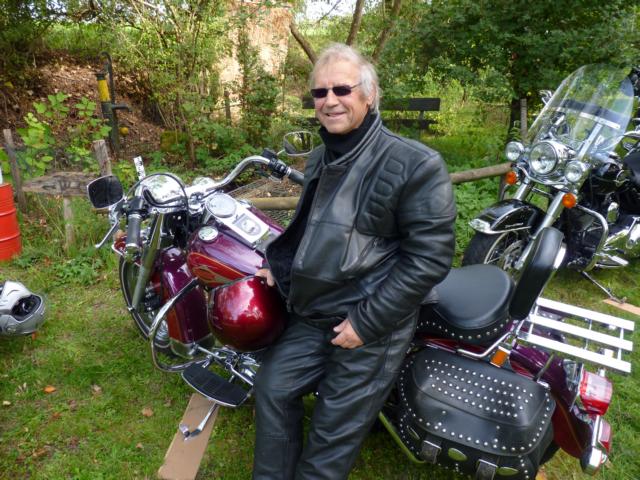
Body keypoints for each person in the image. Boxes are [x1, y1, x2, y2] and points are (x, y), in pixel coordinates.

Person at [252, 43, 456, 480]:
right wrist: (281, 267)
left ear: (369, 94)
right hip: (315, 311)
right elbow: (310, 226)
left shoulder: (416, 164)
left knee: (331, 435)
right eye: (319, 92)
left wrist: (367, 321)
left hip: (372, 323)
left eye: (341, 89)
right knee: (271, 389)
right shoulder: (320, 156)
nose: (329, 100)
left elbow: (430, 257)